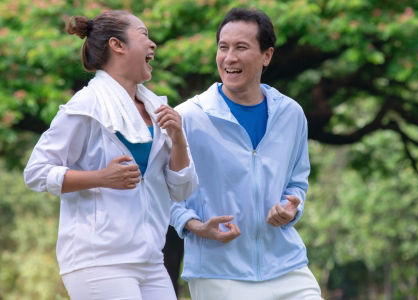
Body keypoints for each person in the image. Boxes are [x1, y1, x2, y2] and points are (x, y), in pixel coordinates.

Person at [24, 10, 197, 300]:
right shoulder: (87, 104)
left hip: (151, 259)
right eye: (144, 35)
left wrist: (178, 139)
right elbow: (36, 172)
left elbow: (181, 190)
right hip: (98, 260)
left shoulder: (157, 110)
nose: (153, 44)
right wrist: (101, 178)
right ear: (118, 45)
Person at [170, 7, 323, 300]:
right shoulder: (188, 117)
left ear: (267, 55)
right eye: (223, 47)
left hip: (287, 266)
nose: (229, 58)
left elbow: (297, 182)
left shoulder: (290, 114)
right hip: (219, 273)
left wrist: (292, 207)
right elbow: (162, 193)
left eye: (241, 47)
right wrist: (197, 226)